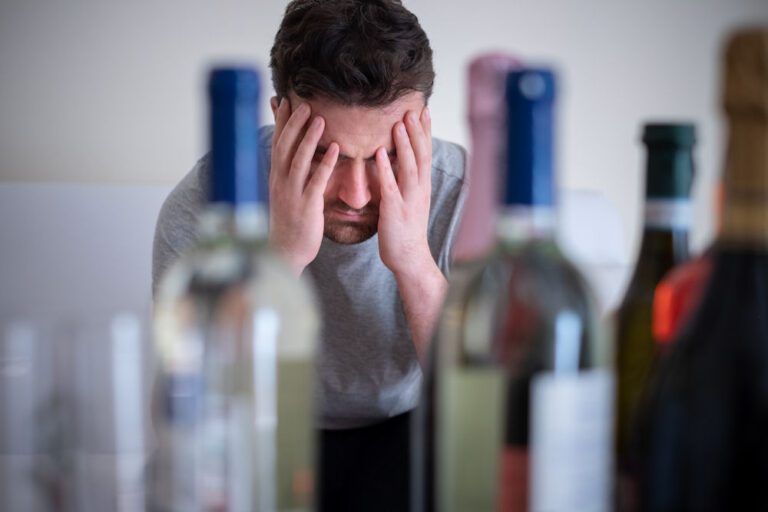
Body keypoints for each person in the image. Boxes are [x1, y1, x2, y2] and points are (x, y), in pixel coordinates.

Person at [152, 0, 467, 509]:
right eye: (325, 154)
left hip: (411, 428)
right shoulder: (207, 205)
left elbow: (475, 416)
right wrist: (276, 260)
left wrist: (413, 260)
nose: (356, 195)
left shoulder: (463, 198)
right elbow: (199, 412)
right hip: (266, 425)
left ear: (422, 127)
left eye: (386, 155)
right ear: (279, 116)